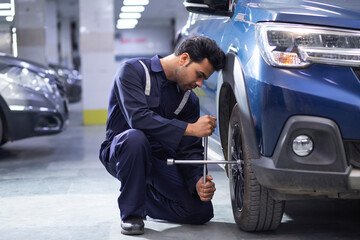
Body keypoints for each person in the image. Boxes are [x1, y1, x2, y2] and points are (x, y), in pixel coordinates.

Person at [99, 36, 226, 235]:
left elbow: (189, 148)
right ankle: (132, 214)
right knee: (135, 138)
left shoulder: (189, 101)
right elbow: (138, 118)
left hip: (159, 158)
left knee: (200, 212)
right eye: (199, 74)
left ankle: (141, 196)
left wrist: (196, 181)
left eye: (204, 79)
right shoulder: (133, 71)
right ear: (184, 58)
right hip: (122, 151)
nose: (200, 83)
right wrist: (190, 128)